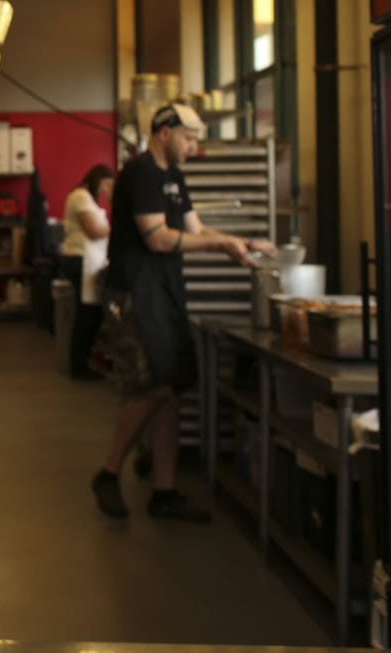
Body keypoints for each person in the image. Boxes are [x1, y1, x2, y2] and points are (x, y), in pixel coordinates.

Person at [89, 103, 275, 522]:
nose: (195, 146)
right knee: (152, 386)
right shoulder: (140, 174)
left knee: (171, 384)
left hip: (167, 291)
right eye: (189, 138)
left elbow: (193, 230)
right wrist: (221, 246)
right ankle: (108, 472)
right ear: (163, 133)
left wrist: (242, 242)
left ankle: (165, 490)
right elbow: (156, 239)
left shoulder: (174, 177)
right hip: (137, 293)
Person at [59, 164, 114, 380]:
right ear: (99, 179)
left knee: (90, 313)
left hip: (88, 260)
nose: (106, 190)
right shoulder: (81, 196)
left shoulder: (87, 198)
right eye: (107, 185)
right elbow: (93, 231)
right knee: (86, 315)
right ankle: (79, 366)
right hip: (80, 258)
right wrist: (121, 226)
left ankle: (84, 363)